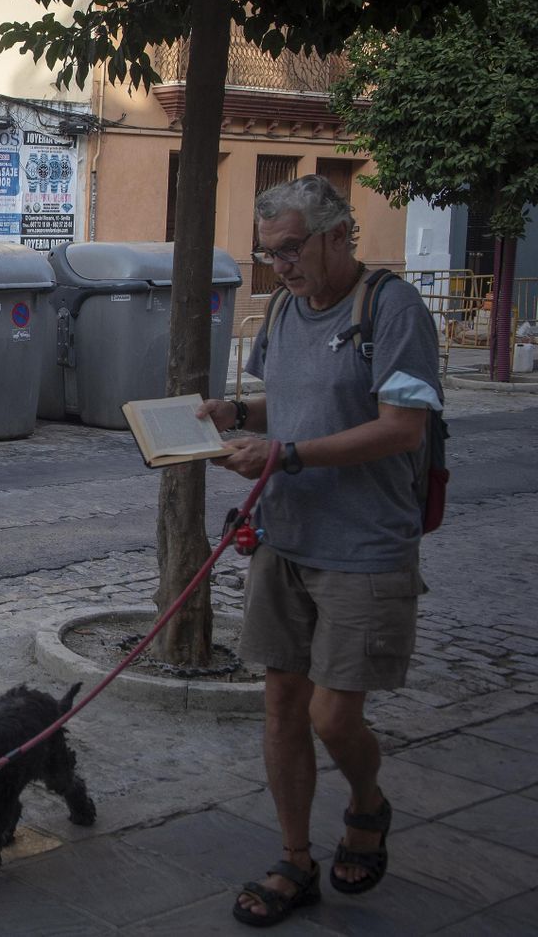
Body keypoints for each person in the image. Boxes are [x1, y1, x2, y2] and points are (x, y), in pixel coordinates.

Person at [196, 175, 442, 928]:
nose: (282, 267)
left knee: (335, 718)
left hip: (365, 545)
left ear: (340, 234)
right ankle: (295, 858)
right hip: (285, 536)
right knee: (280, 704)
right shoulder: (282, 308)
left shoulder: (391, 309)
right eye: (270, 254)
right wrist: (234, 411)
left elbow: (404, 426)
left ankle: (367, 804)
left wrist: (288, 454)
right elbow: (296, 395)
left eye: (293, 250)